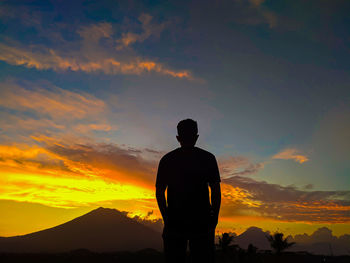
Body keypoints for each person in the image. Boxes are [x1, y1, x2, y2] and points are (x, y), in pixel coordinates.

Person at [156, 119, 221, 263]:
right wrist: (214, 218)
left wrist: (167, 218)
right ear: (197, 137)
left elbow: (160, 192)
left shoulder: (167, 160)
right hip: (202, 222)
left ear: (178, 138)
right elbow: (215, 191)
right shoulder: (208, 158)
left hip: (175, 222)